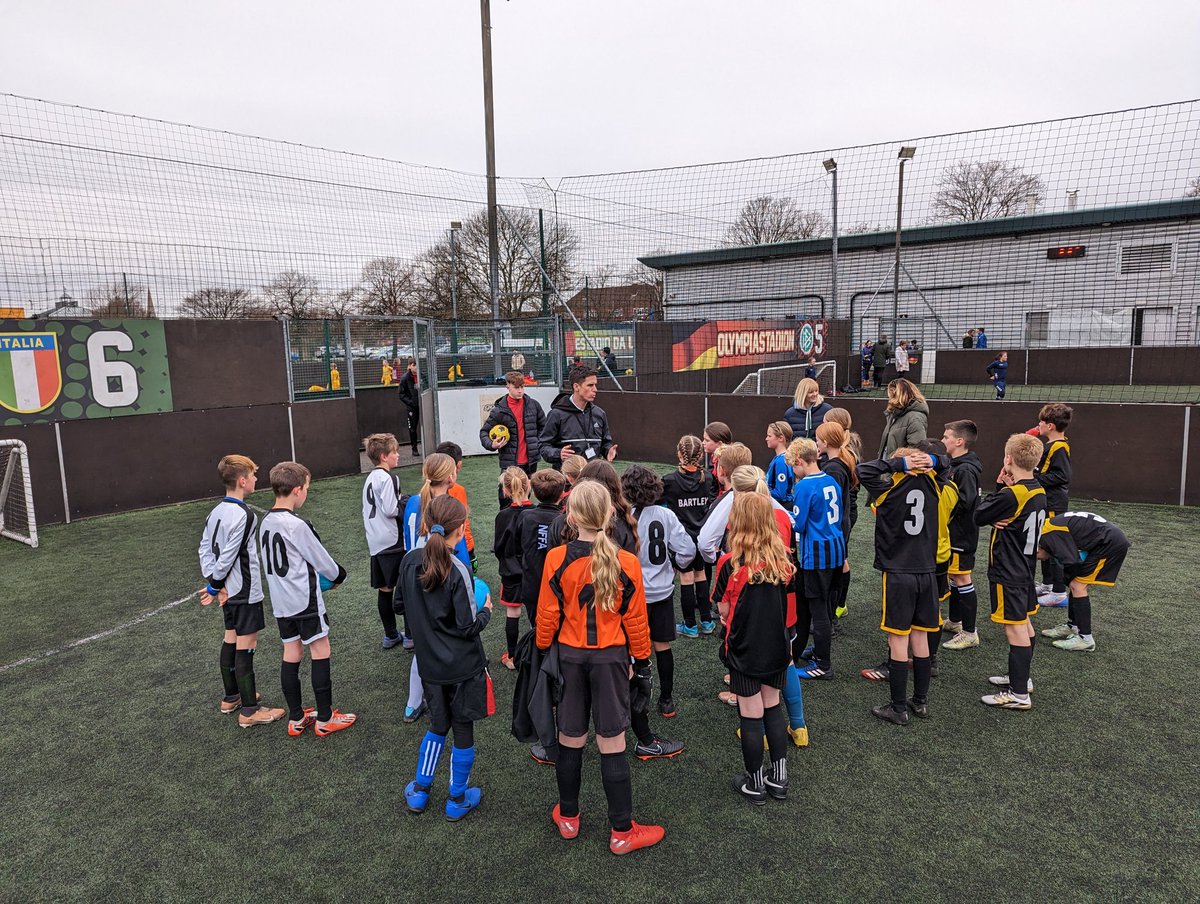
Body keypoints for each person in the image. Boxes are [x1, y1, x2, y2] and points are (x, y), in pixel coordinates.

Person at [536, 480, 663, 855]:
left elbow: (546, 617)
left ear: (571, 516)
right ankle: (621, 830)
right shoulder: (626, 561)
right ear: (610, 513)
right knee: (612, 741)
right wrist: (642, 665)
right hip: (610, 661)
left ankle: (570, 817)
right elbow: (636, 623)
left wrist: (544, 652)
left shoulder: (556, 559)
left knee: (570, 737)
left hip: (570, 659)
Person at [399, 494, 493, 820]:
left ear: (426, 525)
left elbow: (400, 605)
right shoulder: (459, 570)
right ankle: (456, 798)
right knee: (462, 728)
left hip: (429, 665)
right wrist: (486, 612)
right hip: (463, 666)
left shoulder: (409, 560)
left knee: (438, 724)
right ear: (461, 528)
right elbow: (468, 626)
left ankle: (421, 790)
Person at [258, 461, 356, 737]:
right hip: (303, 601)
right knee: (320, 651)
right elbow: (323, 561)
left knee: (291, 653)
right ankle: (325, 719)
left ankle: (297, 717)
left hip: (280, 602)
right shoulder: (296, 525)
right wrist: (339, 577)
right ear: (298, 490)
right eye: (307, 489)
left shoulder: (265, 521)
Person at [713, 492, 795, 804]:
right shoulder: (783, 559)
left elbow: (722, 608)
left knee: (750, 714)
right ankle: (780, 779)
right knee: (773, 708)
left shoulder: (728, 563)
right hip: (777, 647)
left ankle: (755, 783)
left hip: (744, 649)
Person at [857, 447, 943, 725]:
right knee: (920, 638)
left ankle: (897, 707)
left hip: (898, 572)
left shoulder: (887, 489)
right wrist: (931, 462)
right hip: (927, 572)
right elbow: (949, 464)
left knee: (898, 640)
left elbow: (862, 470)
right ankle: (920, 702)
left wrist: (896, 463)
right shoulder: (934, 483)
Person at [198, 454, 280, 726]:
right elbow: (230, 555)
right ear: (243, 481)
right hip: (244, 591)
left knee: (230, 638)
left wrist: (215, 582)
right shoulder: (244, 515)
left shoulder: (215, 511)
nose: (257, 479)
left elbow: (204, 549)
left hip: (229, 592)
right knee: (247, 645)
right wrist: (214, 585)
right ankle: (250, 711)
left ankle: (231, 696)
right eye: (254, 475)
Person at [622, 464, 694, 753]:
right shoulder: (666, 514)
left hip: (634, 595)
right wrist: (678, 566)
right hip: (662, 591)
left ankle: (636, 700)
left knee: (632, 647)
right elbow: (687, 550)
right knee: (662, 644)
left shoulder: (625, 518)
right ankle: (666, 699)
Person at [975, 434, 1047, 711]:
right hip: (1026, 568)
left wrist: (998, 490)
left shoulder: (1011, 494)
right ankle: (1022, 679)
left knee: (1014, 629)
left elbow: (978, 516)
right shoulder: (1038, 490)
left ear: (1008, 459)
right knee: (1025, 625)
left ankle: (1019, 694)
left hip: (1009, 570)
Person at [402, 453, 473, 723]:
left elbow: (408, 542)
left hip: (414, 575)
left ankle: (412, 703)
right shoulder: (450, 505)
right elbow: (460, 547)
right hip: (443, 577)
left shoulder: (412, 501)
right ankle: (450, 692)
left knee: (424, 640)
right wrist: (469, 575)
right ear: (452, 475)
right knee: (452, 635)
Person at [516, 468, 569, 766]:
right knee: (554, 645)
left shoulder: (525, 517)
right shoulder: (565, 521)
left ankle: (549, 695)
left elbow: (514, 551)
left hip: (534, 593)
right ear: (562, 493)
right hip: (556, 595)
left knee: (543, 643)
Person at [786, 438, 845, 681]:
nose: (793, 471)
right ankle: (820, 651)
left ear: (799, 461)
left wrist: (784, 515)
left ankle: (823, 665)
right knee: (823, 607)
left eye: (793, 466)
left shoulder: (804, 486)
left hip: (817, 555)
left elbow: (799, 524)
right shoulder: (830, 479)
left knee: (818, 611)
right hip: (836, 550)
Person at [1038, 511, 1130, 653]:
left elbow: (1072, 561)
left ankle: (1086, 639)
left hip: (1109, 544)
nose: (1039, 559)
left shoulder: (1049, 536)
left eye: (1036, 556)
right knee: (1074, 583)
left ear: (1039, 547)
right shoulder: (1047, 528)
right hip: (1106, 540)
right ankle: (1073, 626)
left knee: (1077, 585)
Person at [659, 435, 717, 640]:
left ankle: (690, 624)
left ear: (678, 454)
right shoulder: (708, 478)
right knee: (701, 575)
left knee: (686, 578)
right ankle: (707, 621)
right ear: (701, 455)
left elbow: (659, 503)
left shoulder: (669, 480)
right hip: (702, 537)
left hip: (682, 538)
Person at [940, 420, 985, 651]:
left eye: (947, 436)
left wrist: (943, 512)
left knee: (962, 579)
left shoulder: (965, 469)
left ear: (959, 441)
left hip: (960, 535)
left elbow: (964, 502)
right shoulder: (958, 464)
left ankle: (969, 632)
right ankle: (956, 622)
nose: (943, 439)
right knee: (955, 577)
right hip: (956, 534)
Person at [361, 433, 409, 651]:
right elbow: (391, 510)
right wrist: (405, 504)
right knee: (406, 587)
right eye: (394, 452)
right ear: (383, 456)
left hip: (376, 541)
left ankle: (390, 634)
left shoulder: (370, 478)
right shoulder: (389, 477)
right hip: (393, 540)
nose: (398, 456)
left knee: (385, 589)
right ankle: (409, 635)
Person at [815, 422, 859, 624]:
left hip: (836, 528)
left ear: (825, 442)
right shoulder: (838, 462)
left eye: (817, 439)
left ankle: (830, 616)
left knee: (832, 574)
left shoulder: (834, 468)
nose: (816, 443)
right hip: (840, 525)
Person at [480, 371, 546, 505]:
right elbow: (484, 432)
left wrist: (537, 444)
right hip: (509, 463)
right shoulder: (499, 410)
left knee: (525, 498)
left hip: (530, 462)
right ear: (508, 386)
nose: (520, 391)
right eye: (516, 387)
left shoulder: (533, 405)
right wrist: (492, 444)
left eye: (522, 387)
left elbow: (544, 427)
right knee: (506, 499)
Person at [493, 467, 534, 670]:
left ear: (506, 491)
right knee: (537, 613)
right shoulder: (536, 513)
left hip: (511, 573)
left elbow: (498, 547)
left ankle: (512, 656)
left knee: (513, 612)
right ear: (529, 487)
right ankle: (540, 653)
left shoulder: (502, 516)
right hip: (534, 572)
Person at [539, 364, 618, 468]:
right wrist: (559, 453)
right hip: (567, 479)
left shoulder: (599, 414)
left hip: (593, 477)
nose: (595, 389)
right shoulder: (556, 414)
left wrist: (608, 451)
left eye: (595, 385)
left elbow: (606, 443)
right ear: (576, 386)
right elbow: (544, 447)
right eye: (590, 385)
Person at [1035, 403, 1073, 607]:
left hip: (1054, 504)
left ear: (1050, 426)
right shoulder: (1050, 445)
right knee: (1044, 543)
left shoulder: (1059, 447)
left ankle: (1058, 592)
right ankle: (1048, 585)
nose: (1038, 425)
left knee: (1053, 545)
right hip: (1047, 502)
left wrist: (1035, 479)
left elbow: (1062, 476)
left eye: (1041, 421)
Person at [696, 442, 755, 566]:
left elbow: (705, 543)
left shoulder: (727, 501)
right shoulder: (762, 492)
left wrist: (718, 557)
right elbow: (790, 521)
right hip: (766, 563)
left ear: (721, 470)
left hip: (737, 566)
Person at [437, 442, 477, 574]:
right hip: (455, 548)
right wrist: (470, 549)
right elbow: (463, 522)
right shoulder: (458, 490)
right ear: (458, 465)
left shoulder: (422, 494)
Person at [878, 378, 929, 459]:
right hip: (889, 466)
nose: (889, 398)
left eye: (891, 394)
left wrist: (896, 461)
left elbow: (917, 449)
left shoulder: (914, 417)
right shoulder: (895, 414)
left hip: (899, 468)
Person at [764, 421, 795, 507]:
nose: (766, 439)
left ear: (781, 438)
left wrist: (761, 491)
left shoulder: (781, 461)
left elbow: (780, 493)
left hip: (783, 506)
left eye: (769, 436)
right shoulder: (779, 458)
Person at [397, 358, 421, 456]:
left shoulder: (421, 375)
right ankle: (414, 448)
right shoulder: (405, 378)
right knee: (413, 428)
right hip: (412, 408)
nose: (415, 367)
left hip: (423, 405)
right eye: (413, 365)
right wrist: (411, 403)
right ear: (410, 366)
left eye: (416, 365)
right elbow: (401, 394)